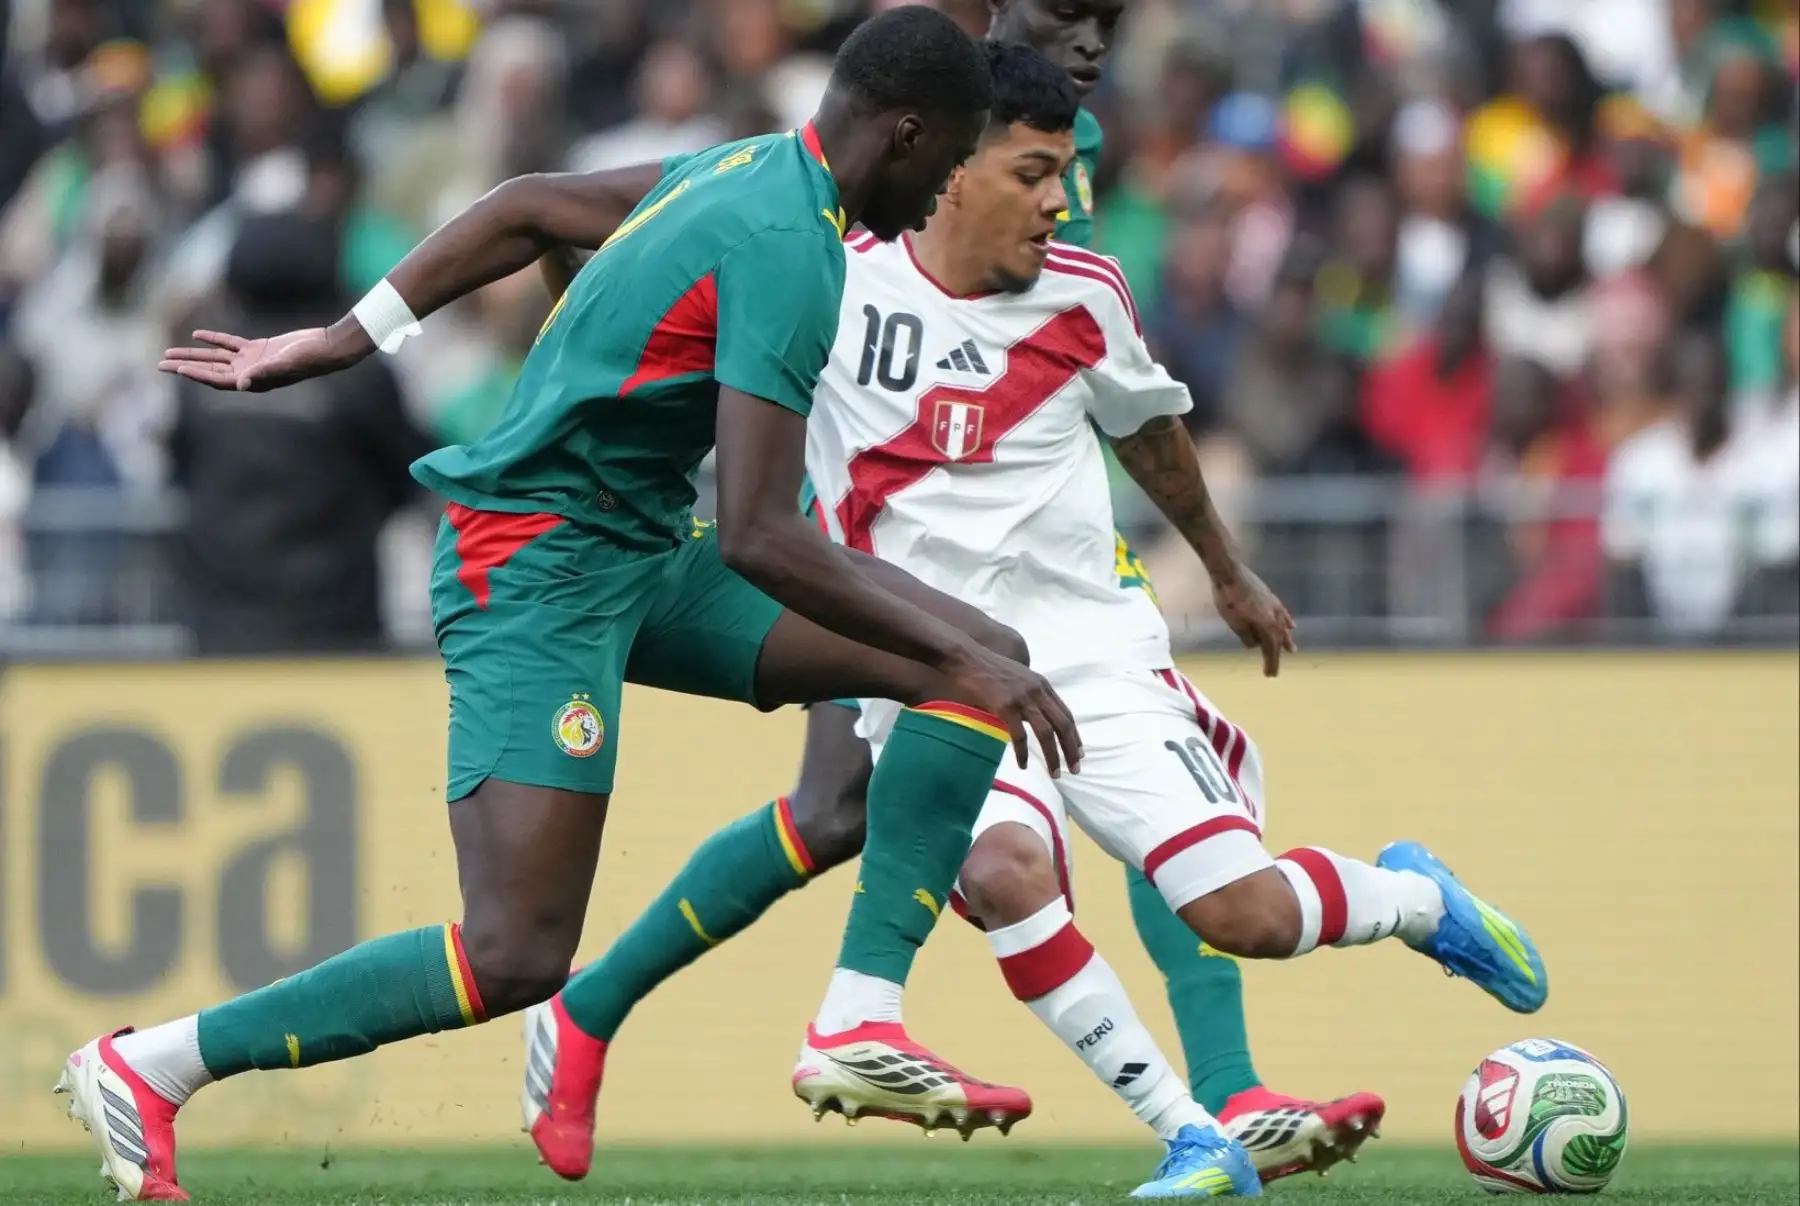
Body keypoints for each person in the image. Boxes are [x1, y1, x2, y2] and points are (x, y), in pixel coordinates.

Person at [59, 11, 1083, 1202]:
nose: (951, 185)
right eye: (955, 154)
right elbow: (760, 533)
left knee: (973, 660)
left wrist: (352, 336)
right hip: (535, 567)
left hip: (638, 549)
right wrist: (356, 342)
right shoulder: (789, 245)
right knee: (513, 955)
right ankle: (152, 1067)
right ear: (908, 133)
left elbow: (531, 203)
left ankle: (858, 1017)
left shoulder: (744, 166)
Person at [524, 1, 1388, 1187]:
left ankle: (1218, 1095)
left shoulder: (1052, 188)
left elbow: (1108, 381)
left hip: (1041, 557)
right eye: (1074, 19)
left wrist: (1220, 564)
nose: (1093, 46)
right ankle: (628, 1012)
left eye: (1109, 25)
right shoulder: (897, 131)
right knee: (848, 809)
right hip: (871, 556)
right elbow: (648, 215)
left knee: (1101, 762)